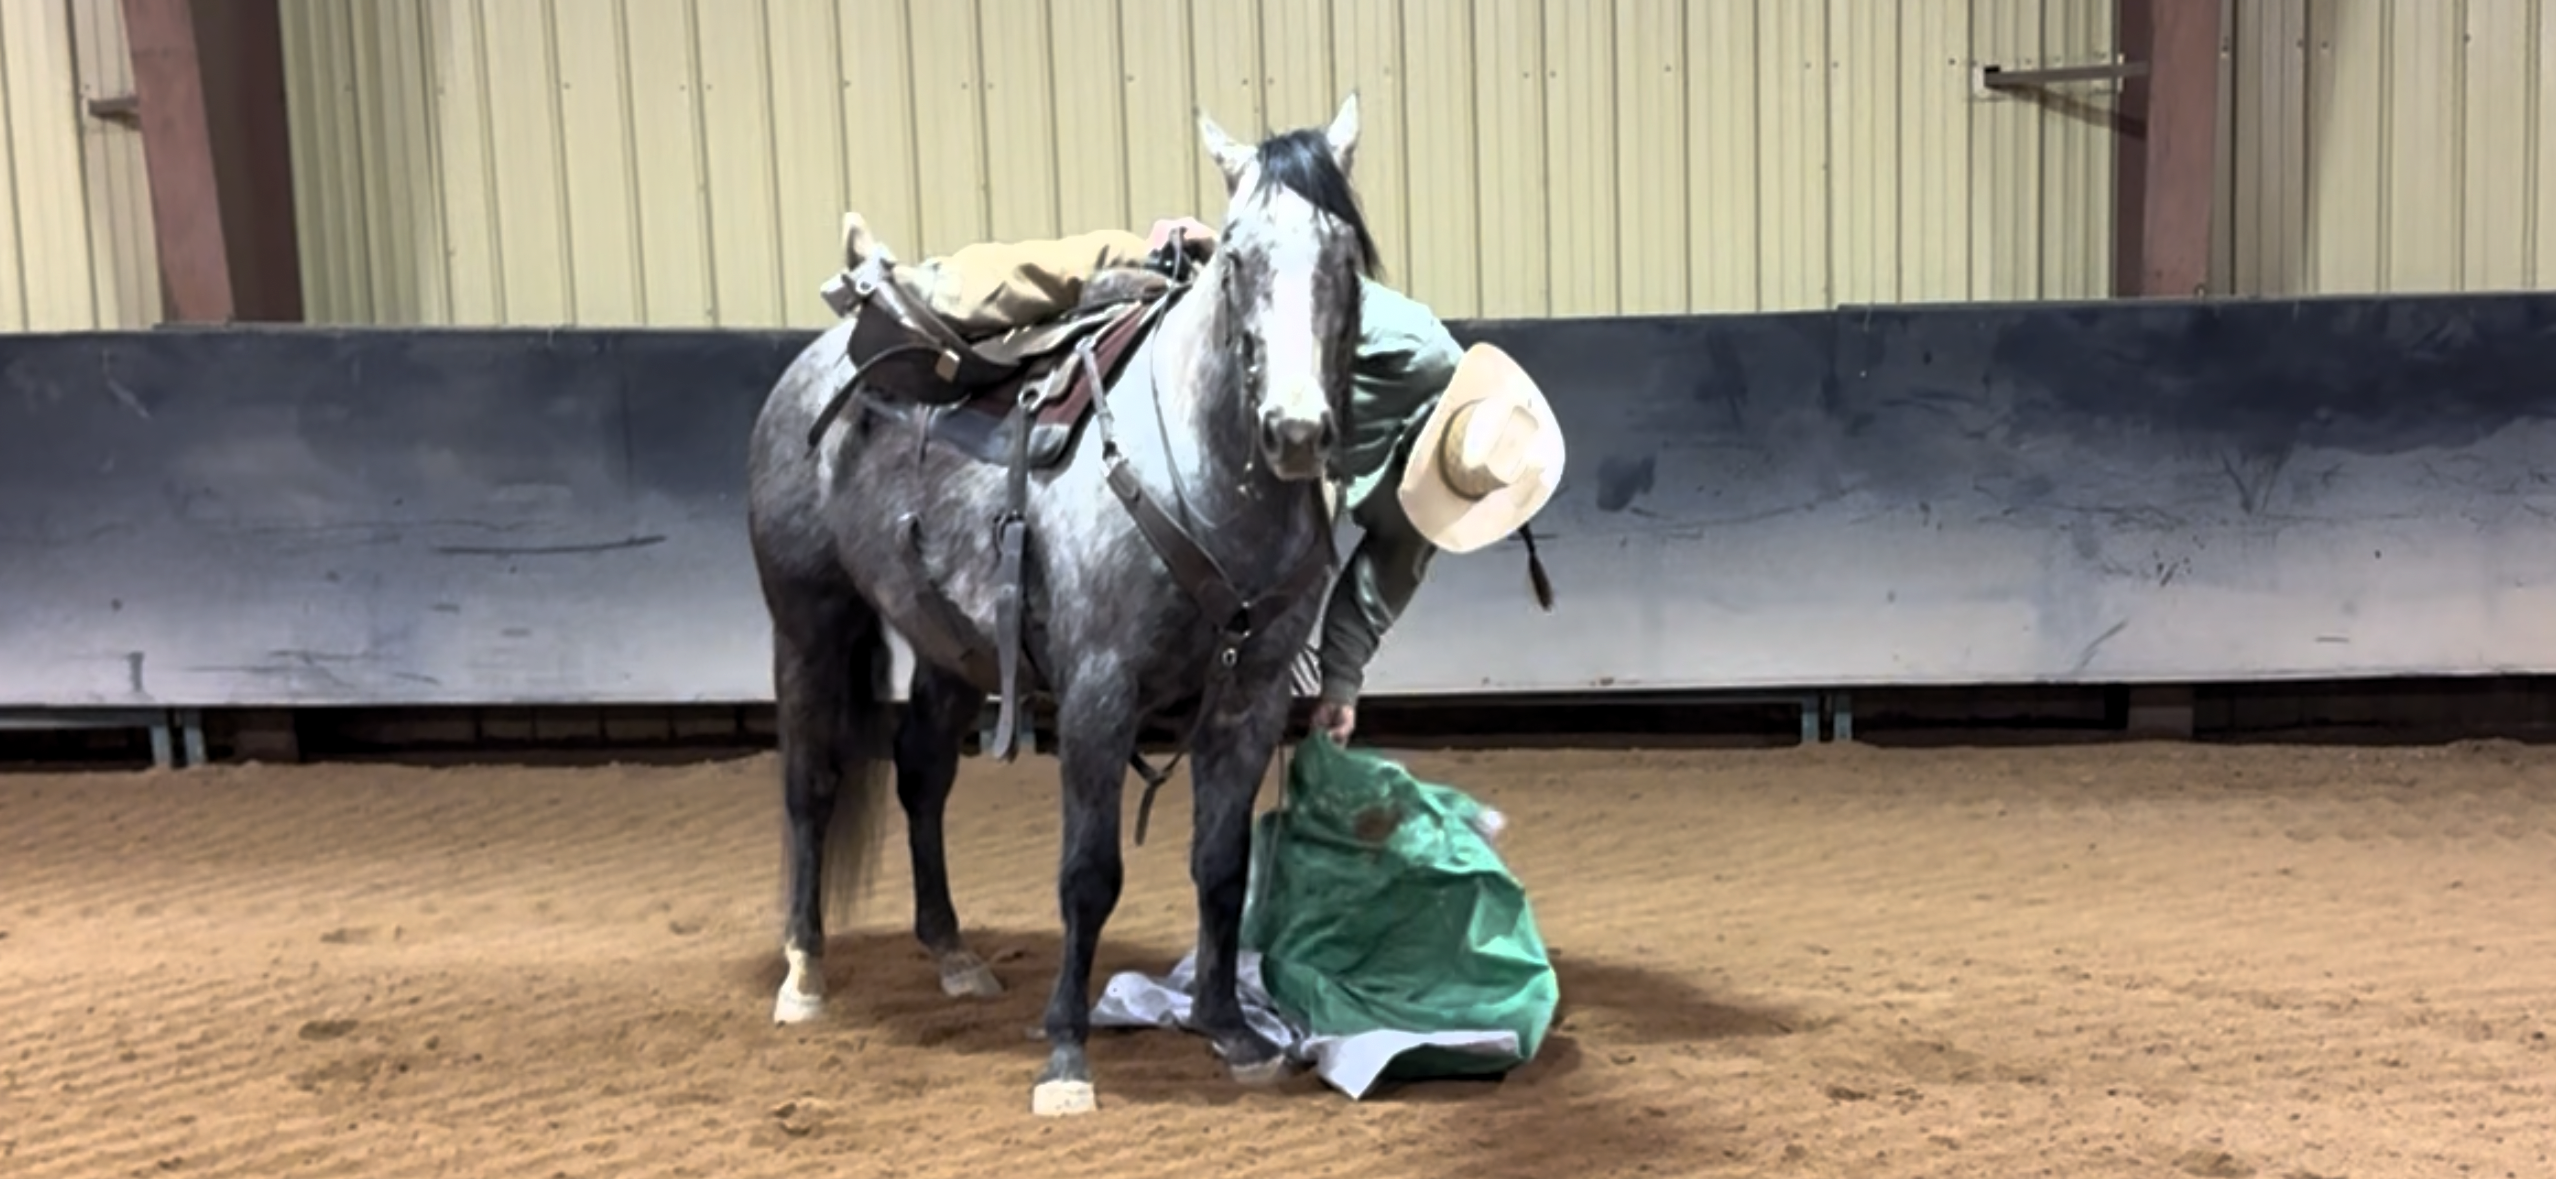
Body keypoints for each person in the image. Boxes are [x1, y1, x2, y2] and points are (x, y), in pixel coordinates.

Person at [822, 212, 1562, 746]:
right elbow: (1301, 297)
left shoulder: (1442, 497)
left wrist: (1340, 685)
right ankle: (916, 292)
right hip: (1238, 365)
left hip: (1281, 472)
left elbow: (1376, 587)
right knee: (1102, 258)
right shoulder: (1410, 343)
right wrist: (1212, 249)